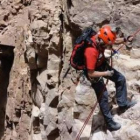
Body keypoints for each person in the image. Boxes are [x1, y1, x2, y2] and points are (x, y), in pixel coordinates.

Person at [84, 25, 137, 131]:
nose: (108, 45)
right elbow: (91, 73)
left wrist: (125, 39)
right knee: (103, 96)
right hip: (93, 71)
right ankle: (110, 123)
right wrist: (105, 73)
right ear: (102, 40)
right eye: (107, 44)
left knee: (120, 79)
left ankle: (123, 104)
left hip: (100, 64)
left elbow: (114, 40)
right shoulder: (91, 51)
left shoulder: (101, 39)